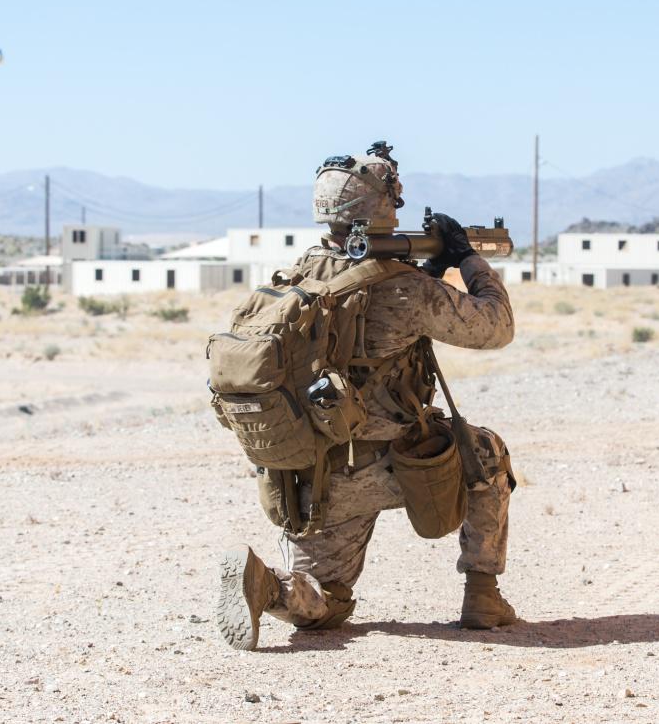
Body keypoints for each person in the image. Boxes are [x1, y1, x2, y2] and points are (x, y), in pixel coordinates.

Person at [217, 147, 518, 651]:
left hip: (313, 477)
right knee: (487, 453)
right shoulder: (405, 289)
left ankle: (269, 587)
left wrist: (425, 268)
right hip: (403, 467)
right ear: (381, 208)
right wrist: (467, 259)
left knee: (323, 604)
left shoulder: (296, 280)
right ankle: (483, 595)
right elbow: (496, 325)